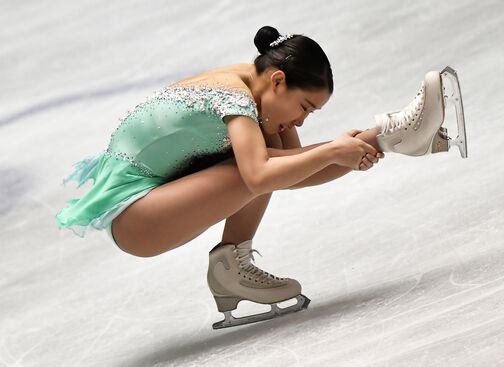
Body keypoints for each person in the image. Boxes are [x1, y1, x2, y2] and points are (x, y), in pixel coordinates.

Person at [55, 25, 453, 329]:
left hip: (156, 202)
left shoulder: (255, 88)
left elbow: (293, 169)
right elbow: (262, 176)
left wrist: (353, 149)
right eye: (305, 107)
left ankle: (397, 137)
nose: (301, 119)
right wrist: (336, 149)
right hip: (137, 219)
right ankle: (396, 135)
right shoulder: (235, 97)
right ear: (278, 80)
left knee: (273, 153)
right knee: (260, 163)